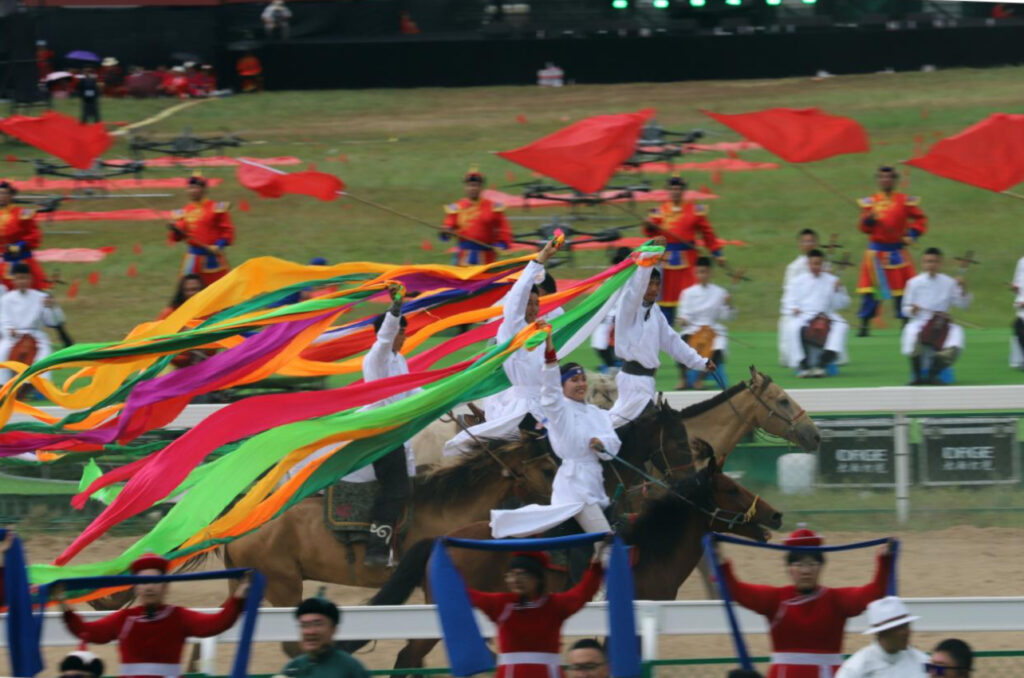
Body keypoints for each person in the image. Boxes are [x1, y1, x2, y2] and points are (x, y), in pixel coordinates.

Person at [490, 330, 620, 546]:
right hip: (576, 491)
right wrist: (550, 352)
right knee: (607, 544)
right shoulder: (558, 410)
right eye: (574, 381)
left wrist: (602, 443)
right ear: (562, 387)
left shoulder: (598, 413)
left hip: (596, 483)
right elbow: (549, 390)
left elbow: (613, 443)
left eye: (582, 380)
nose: (580, 384)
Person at [717, 526, 894, 678]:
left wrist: (884, 560)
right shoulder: (774, 599)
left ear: (821, 567)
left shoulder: (837, 600)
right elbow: (735, 590)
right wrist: (721, 561)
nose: (806, 571)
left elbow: (873, 593)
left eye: (812, 564)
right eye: (799, 565)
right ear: (789, 568)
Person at [442, 237, 560, 457]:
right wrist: (539, 260)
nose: (534, 308)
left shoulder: (541, 331)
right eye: (529, 303)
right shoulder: (512, 328)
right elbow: (516, 298)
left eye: (537, 303)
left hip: (546, 403)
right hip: (519, 403)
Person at [60, 553, 249, 678]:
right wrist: (61, 602)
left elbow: (217, 624)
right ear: (136, 587)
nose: (149, 587)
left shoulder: (179, 616)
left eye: (155, 581)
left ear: (165, 586)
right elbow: (88, 631)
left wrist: (240, 595)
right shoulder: (124, 619)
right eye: (143, 582)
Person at [607, 237, 713, 428]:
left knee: (631, 429)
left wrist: (701, 363)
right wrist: (651, 255)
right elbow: (637, 285)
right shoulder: (628, 306)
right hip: (633, 381)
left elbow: (673, 343)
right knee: (618, 426)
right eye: (651, 284)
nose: (655, 289)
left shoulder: (656, 312)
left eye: (657, 284)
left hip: (646, 381)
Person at [467, 548, 604, 678]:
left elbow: (583, 592)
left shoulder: (554, 605)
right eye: (512, 574)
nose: (515, 580)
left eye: (522, 574)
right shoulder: (501, 605)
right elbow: (466, 594)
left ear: (537, 578)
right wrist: (446, 565)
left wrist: (597, 561)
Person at [361, 283, 417, 567]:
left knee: (411, 487)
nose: (404, 337)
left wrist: (448, 400)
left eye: (405, 332)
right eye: (402, 332)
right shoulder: (377, 356)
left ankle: (401, 544)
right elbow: (384, 337)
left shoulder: (400, 360)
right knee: (395, 490)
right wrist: (395, 307)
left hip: (399, 435)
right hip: (381, 436)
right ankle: (377, 549)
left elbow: (412, 392)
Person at [856, 166, 927, 336]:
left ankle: (905, 324)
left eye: (889, 177)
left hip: (897, 251)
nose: (885, 180)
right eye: (882, 177)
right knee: (871, 291)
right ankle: (864, 325)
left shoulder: (904, 201)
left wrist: (912, 234)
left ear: (895, 180)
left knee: (903, 290)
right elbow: (863, 227)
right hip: (876, 254)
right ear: (878, 180)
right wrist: (869, 220)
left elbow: (920, 219)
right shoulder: (870, 202)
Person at [643, 175, 723, 323]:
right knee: (666, 302)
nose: (675, 192)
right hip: (666, 263)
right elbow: (650, 233)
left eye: (678, 189)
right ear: (668, 191)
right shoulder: (659, 212)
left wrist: (716, 252)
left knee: (693, 297)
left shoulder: (695, 210)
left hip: (689, 262)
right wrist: (648, 225)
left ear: (683, 191)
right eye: (672, 189)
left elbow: (708, 234)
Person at [901, 248, 971, 385]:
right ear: (923, 263)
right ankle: (917, 376)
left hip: (942, 322)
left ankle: (934, 374)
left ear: (941, 263)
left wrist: (963, 288)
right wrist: (912, 310)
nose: (931, 265)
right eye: (928, 261)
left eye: (934, 261)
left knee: (956, 336)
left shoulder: (949, 282)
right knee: (911, 334)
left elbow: (963, 305)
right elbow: (904, 308)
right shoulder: (913, 283)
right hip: (920, 321)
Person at [781, 249, 849, 378]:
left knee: (842, 325)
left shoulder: (832, 280)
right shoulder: (798, 281)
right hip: (804, 315)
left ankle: (823, 362)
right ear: (808, 264)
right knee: (792, 327)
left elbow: (841, 304)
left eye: (819, 263)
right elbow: (788, 301)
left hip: (826, 315)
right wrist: (794, 308)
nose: (816, 266)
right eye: (813, 263)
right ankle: (802, 364)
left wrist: (838, 290)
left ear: (823, 264)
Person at [676, 256, 734, 390]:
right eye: (700, 272)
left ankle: (699, 379)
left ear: (710, 272)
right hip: (693, 328)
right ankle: (683, 378)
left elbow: (727, 317)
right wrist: (683, 320)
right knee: (679, 344)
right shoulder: (687, 293)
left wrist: (729, 304)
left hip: (713, 329)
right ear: (695, 273)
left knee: (718, 348)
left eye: (705, 272)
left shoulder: (720, 292)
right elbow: (683, 315)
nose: (703, 275)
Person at [0, 263, 64, 384]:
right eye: (19, 278)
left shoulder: (41, 297)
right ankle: (3, 385)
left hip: (36, 335)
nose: (22, 281)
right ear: (14, 279)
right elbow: (3, 320)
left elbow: (53, 322)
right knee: (1, 352)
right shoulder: (6, 299)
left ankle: (39, 387)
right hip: (12, 336)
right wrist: (9, 330)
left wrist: (51, 307)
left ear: (30, 278)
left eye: (24, 278)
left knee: (44, 354)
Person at [167, 174, 235, 287]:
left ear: (203, 189)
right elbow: (178, 236)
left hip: (213, 258)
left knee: (219, 290)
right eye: (189, 188)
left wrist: (219, 245)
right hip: (192, 259)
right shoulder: (183, 212)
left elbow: (227, 230)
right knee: (189, 292)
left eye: (195, 187)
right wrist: (174, 229)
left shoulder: (216, 208)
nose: (191, 191)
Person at [835, 596, 928, 678]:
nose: (907, 632)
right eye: (900, 628)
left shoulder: (923, 662)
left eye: (907, 625)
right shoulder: (855, 668)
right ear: (881, 633)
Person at [283, 594, 370, 678]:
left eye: (317, 624)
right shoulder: (293, 668)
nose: (310, 631)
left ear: (333, 629)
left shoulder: (350, 669)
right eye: (304, 625)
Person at [442, 168, 512, 266]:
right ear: (465, 187)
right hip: (463, 256)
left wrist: (502, 244)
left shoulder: (493, 207)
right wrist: (447, 231)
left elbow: (504, 229)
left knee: (486, 281)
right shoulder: (457, 208)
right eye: (470, 185)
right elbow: (448, 226)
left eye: (475, 185)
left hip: (487, 256)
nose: (472, 188)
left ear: (481, 187)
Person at [779, 229, 822, 366]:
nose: (808, 244)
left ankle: (826, 357)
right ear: (800, 244)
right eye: (805, 241)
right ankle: (799, 359)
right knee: (792, 324)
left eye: (811, 241)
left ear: (816, 243)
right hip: (799, 309)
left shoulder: (824, 266)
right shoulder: (794, 267)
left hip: (818, 308)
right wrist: (794, 307)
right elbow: (788, 292)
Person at [0, 181, 48, 290]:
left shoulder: (22, 213)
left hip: (20, 259)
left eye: (4, 194)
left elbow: (35, 235)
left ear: (11, 195)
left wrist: (20, 245)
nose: (1, 197)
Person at [1012, 254, 1024, 369]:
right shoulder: (1022, 262)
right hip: (1022, 308)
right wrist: (1015, 289)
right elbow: (1018, 286)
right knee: (1018, 325)